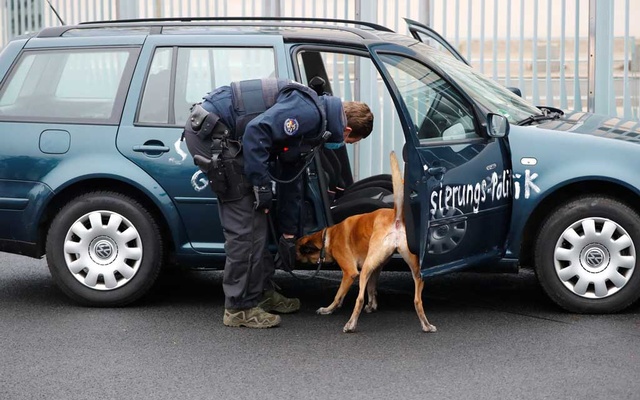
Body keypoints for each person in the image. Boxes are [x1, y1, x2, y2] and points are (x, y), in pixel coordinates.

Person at [182, 78, 373, 329]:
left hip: (230, 137)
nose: (342, 145)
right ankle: (239, 308)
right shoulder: (308, 113)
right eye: (349, 143)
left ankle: (260, 292)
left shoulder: (317, 122)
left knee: (260, 219)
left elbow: (290, 176)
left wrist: (288, 232)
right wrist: (260, 185)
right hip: (212, 136)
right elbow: (256, 131)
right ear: (347, 131)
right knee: (246, 228)